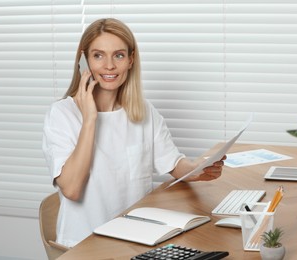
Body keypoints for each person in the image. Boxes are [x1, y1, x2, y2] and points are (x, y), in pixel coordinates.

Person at [42, 18, 226, 248]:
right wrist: (90, 118)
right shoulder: (61, 114)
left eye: (118, 55)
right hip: (84, 246)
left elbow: (173, 163)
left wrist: (197, 169)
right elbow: (71, 189)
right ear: (84, 60)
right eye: (98, 55)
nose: (109, 66)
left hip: (137, 239)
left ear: (130, 60)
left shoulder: (143, 111)